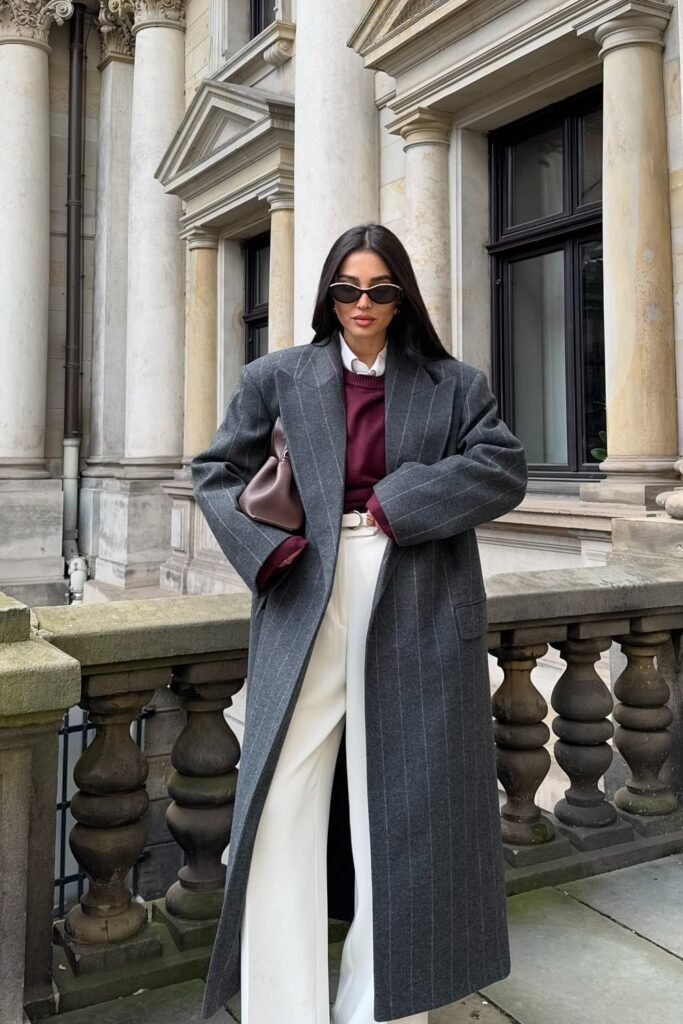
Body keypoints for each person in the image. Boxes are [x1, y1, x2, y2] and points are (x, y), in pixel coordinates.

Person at [192, 223, 527, 1024]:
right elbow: (213, 474)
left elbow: (501, 468)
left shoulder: (454, 384)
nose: (363, 304)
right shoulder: (275, 376)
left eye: (378, 288)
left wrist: (397, 501)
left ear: (401, 293)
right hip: (304, 586)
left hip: (413, 588)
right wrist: (267, 552)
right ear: (327, 295)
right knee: (281, 798)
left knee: (401, 804)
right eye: (348, 288)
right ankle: (283, 1005)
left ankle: (383, 1005)